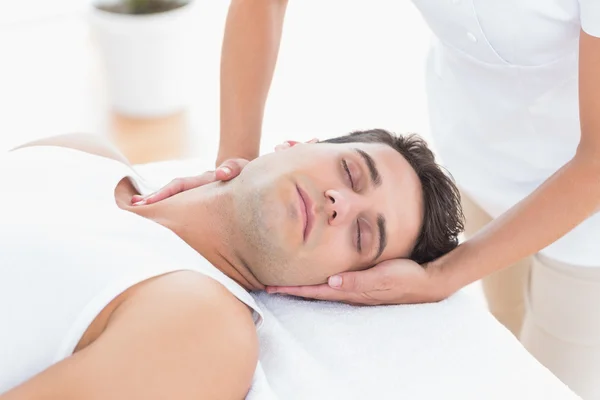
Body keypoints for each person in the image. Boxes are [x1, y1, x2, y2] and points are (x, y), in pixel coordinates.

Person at [132, 1, 600, 398]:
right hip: (473, 154)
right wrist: (233, 174)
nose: (337, 203)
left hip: (587, 213)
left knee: (549, 371)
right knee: (508, 321)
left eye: (360, 232)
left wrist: (443, 276)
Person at [0, 129, 463, 398]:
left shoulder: (202, 327)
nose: (340, 202)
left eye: (362, 234)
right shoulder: (82, 153)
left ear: (340, 284)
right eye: (350, 172)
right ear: (296, 144)